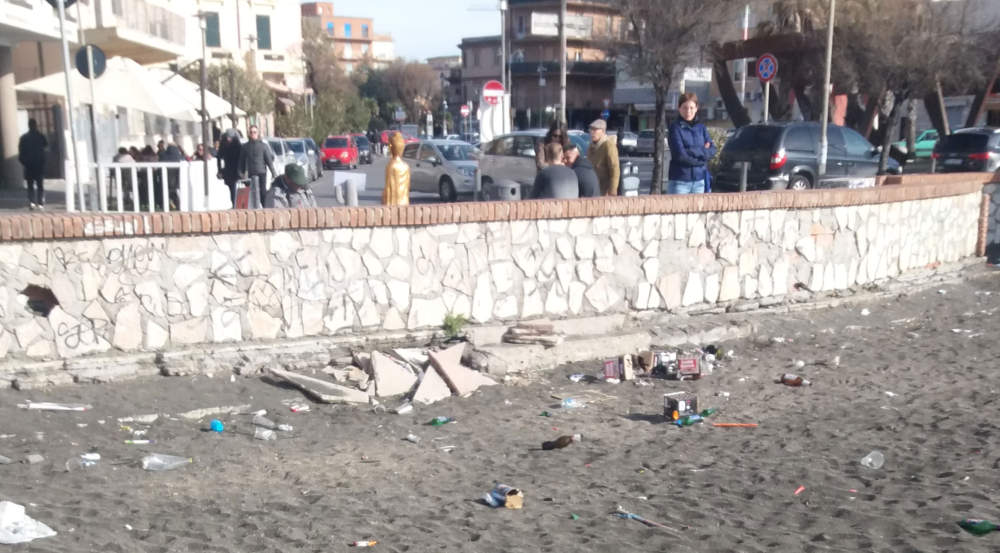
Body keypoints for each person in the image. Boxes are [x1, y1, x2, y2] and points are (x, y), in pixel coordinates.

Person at [667, 92, 716, 195]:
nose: (688, 111)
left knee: (698, 211)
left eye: (691, 108)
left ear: (696, 108)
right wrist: (702, 156)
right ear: (679, 108)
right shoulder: (675, 128)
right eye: (684, 107)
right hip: (680, 181)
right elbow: (680, 155)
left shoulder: (701, 128)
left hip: (699, 181)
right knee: (678, 211)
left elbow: (712, 150)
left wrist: (690, 151)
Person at [238, 125, 277, 208]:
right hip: (251, 174)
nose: (253, 134)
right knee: (252, 194)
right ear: (249, 134)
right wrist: (240, 173)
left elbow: (269, 161)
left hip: (261, 172)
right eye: (251, 132)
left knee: (262, 193)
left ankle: (265, 209)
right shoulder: (245, 147)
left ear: (258, 133)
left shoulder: (263, 146)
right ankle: (254, 210)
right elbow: (241, 161)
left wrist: (274, 173)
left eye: (254, 132)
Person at [17, 118, 47, 210]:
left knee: (30, 185)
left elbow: (21, 151)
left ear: (28, 125)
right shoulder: (40, 136)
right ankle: (40, 202)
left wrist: (23, 161)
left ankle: (32, 202)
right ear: (35, 125)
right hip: (39, 164)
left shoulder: (24, 138)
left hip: (29, 164)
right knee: (40, 184)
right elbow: (46, 145)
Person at [585, 118, 620, 196]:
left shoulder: (608, 145)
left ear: (603, 131)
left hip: (604, 191)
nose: (592, 132)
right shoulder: (591, 146)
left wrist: (612, 191)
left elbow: (615, 169)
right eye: (591, 130)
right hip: (593, 189)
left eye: (595, 130)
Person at [217, 129, 243, 207]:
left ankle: (238, 203)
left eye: (230, 138)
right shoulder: (223, 144)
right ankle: (234, 203)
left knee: (238, 187)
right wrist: (220, 170)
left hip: (237, 168)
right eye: (227, 137)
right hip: (228, 168)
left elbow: (242, 157)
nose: (228, 139)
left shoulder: (237, 145)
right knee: (232, 188)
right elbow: (219, 157)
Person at [383, 132, 410, 205]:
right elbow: (407, 188)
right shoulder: (406, 167)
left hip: (393, 203)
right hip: (404, 201)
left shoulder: (391, 166)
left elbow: (388, 188)